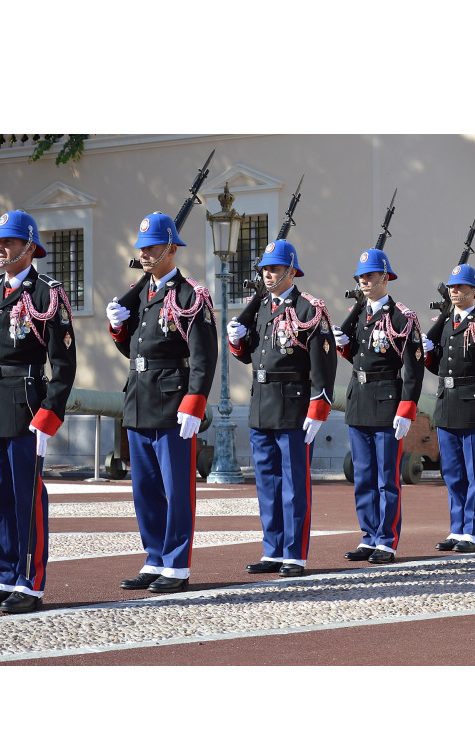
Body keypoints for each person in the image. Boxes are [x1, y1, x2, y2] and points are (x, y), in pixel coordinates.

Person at [0, 209, 77, 614]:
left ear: (29, 246)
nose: (0, 248)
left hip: (25, 404)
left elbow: (64, 365)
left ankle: (31, 581)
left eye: (8, 241)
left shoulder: (47, 293)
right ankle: (4, 574)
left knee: (27, 497)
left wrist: (49, 415)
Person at [106, 212, 218, 594]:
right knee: (146, 489)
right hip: (139, 399)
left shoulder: (191, 295)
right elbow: (136, 349)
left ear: (171, 248)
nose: (146, 253)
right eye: (142, 248)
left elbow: (204, 356)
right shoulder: (142, 293)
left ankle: (177, 565)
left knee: (177, 488)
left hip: (173, 403)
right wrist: (118, 328)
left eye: (152, 247)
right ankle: (154, 557)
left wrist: (195, 401)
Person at [227, 239, 337, 577]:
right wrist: (236, 339)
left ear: (292, 270)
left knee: (293, 484)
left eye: (275, 268)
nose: (268, 274)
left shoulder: (309, 309)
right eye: (265, 268)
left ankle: (294, 554)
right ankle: (272, 549)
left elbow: (323, 365)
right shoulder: (259, 307)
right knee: (267, 484)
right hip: (262, 402)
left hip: (293, 406)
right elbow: (250, 355)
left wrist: (319, 409)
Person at [331, 248, 424, 564]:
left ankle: (387, 540)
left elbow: (413, 368)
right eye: (361, 276)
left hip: (387, 402)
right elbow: (358, 355)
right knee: (364, 476)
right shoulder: (358, 314)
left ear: (385, 277)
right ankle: (369, 535)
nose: (365, 281)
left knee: (386, 477)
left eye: (371, 275)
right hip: (359, 399)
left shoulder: (401, 317)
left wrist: (407, 407)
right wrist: (344, 348)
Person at [424, 264, 475, 553]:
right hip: (446, 403)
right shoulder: (445, 323)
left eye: (461, 287)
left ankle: (473, 533)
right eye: (452, 287)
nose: (455, 291)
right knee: (452, 473)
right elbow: (439, 367)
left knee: (474, 474)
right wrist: (426, 355)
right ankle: (457, 528)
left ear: (474, 290)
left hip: (473, 405)